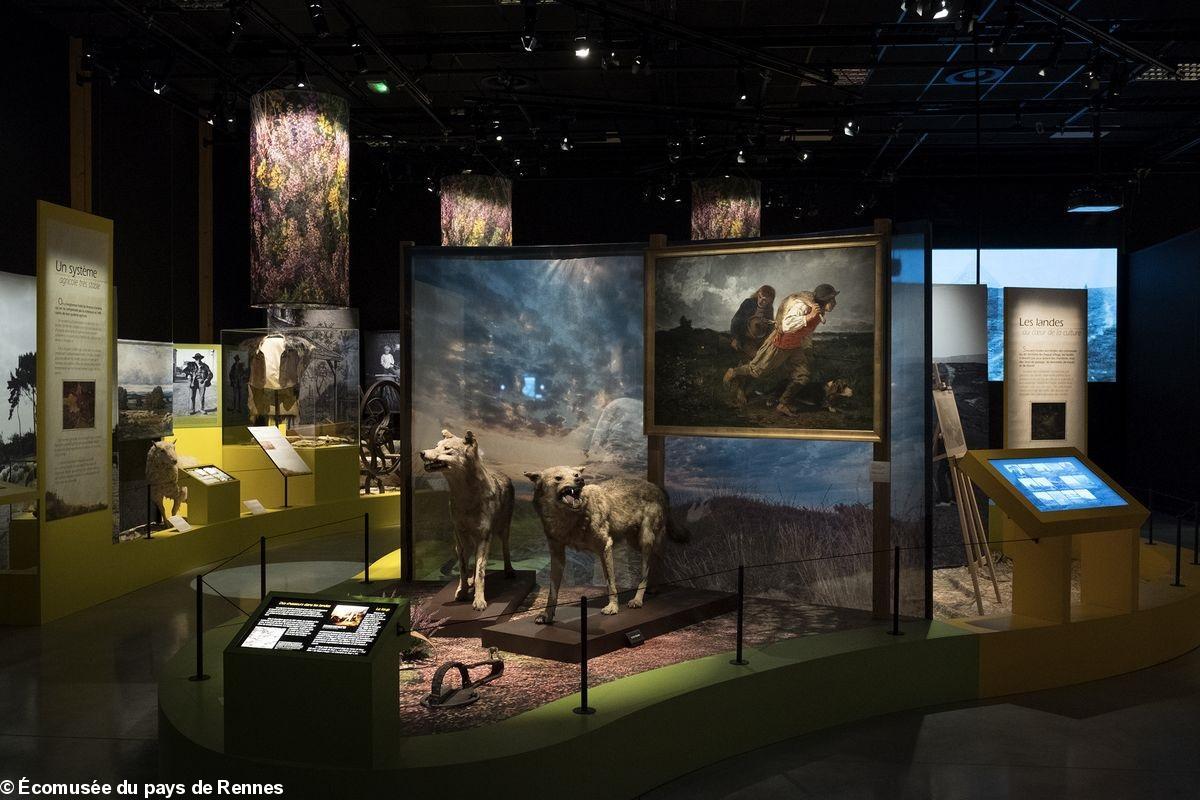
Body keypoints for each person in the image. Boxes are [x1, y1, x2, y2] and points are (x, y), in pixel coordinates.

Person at [723, 283, 839, 417]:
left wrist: (807, 348)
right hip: (779, 344)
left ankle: (783, 403)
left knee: (803, 375)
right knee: (757, 371)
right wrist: (808, 317)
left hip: (795, 346)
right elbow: (786, 325)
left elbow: (806, 332)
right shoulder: (804, 307)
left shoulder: (818, 311)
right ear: (824, 299)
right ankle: (734, 372)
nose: (835, 303)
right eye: (832, 300)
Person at [730, 285, 776, 360]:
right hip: (744, 338)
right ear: (758, 294)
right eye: (760, 297)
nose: (760, 301)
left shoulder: (769, 309)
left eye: (764, 300)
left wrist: (767, 323)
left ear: (770, 301)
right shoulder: (748, 303)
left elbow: (770, 326)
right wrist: (735, 338)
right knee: (758, 357)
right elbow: (736, 320)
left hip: (759, 339)